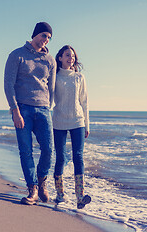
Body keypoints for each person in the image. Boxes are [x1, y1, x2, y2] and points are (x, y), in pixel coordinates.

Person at [4, 22, 56, 205]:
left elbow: (51, 87)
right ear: (34, 35)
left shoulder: (50, 60)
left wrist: (48, 108)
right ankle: (32, 189)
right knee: (25, 151)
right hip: (23, 109)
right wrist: (15, 110)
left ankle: (42, 182)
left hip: (43, 109)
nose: (46, 40)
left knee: (48, 149)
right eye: (43, 35)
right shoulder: (16, 55)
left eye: (49, 37)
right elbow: (8, 84)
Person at [52, 45, 91, 209]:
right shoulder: (54, 77)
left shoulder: (79, 77)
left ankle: (80, 196)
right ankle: (60, 194)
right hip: (59, 120)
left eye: (73, 56)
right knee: (60, 157)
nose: (71, 58)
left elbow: (84, 102)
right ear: (60, 58)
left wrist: (87, 124)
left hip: (78, 121)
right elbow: (48, 98)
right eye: (67, 55)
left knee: (78, 156)